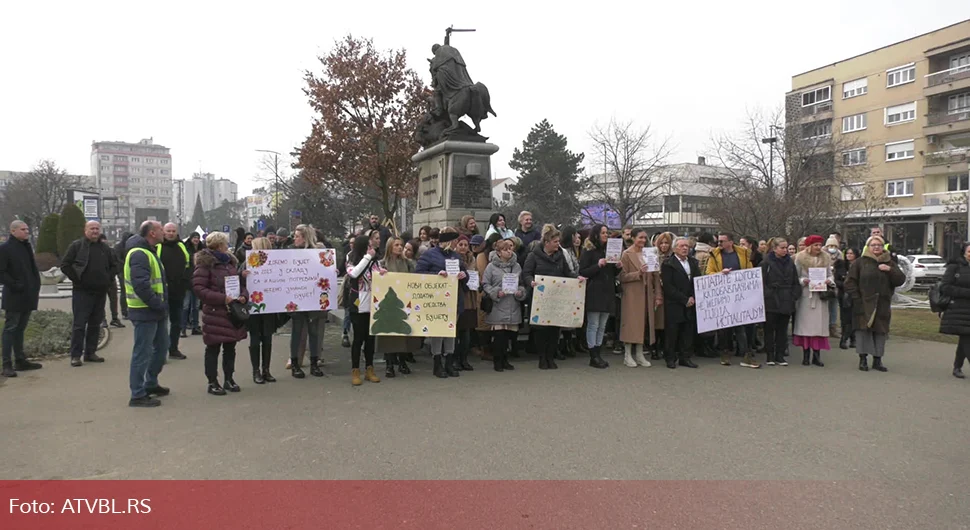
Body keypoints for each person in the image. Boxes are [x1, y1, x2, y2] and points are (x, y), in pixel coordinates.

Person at [192, 231, 249, 396]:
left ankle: (229, 378)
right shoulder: (205, 264)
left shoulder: (229, 263)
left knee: (230, 347)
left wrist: (244, 295)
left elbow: (239, 283)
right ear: (219, 245)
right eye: (225, 243)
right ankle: (212, 381)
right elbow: (199, 288)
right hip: (216, 313)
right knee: (213, 348)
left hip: (231, 313)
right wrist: (223, 298)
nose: (227, 246)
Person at [125, 221, 170, 407]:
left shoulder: (150, 251)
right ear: (152, 233)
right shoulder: (139, 254)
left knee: (161, 349)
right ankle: (137, 394)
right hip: (144, 310)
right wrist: (157, 304)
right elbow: (141, 285)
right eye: (161, 229)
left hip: (155, 310)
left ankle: (150, 383)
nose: (164, 233)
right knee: (142, 353)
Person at [845, 235, 905, 372]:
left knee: (880, 331)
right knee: (863, 331)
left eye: (879, 245)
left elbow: (901, 280)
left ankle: (877, 360)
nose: (876, 247)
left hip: (882, 303)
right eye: (873, 245)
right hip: (864, 303)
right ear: (868, 247)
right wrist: (857, 298)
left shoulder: (889, 262)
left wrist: (890, 270)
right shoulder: (860, 262)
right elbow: (850, 282)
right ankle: (863, 359)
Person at [523, 224, 579, 370]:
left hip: (556, 298)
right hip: (539, 298)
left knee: (554, 330)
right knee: (541, 330)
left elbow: (568, 273)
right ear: (546, 243)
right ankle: (542, 358)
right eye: (555, 242)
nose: (558, 244)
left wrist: (578, 278)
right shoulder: (533, 256)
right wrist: (531, 282)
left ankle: (550, 357)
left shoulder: (560, 257)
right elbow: (526, 273)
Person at [416, 230, 469, 377]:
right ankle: (437, 362)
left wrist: (464, 276)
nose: (456, 245)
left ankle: (449, 362)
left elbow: (465, 275)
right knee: (438, 331)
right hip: (437, 301)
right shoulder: (430, 254)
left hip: (454, 299)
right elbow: (419, 273)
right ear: (448, 242)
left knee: (451, 332)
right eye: (454, 242)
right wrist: (436, 276)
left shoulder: (455, 256)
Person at [61, 220, 112, 367]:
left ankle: (91, 353)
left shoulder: (105, 248)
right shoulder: (77, 246)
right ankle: (76, 356)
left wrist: (108, 278)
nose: (95, 231)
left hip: (100, 292)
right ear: (85, 230)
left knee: (95, 324)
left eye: (97, 229)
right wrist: (77, 279)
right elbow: (65, 265)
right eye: (92, 229)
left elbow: (115, 264)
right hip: (82, 292)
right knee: (79, 325)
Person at [706, 232, 758, 368]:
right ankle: (725, 351)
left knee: (748, 323)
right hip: (724, 295)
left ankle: (747, 353)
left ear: (730, 242)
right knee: (725, 326)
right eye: (719, 241)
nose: (719, 244)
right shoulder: (714, 255)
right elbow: (708, 273)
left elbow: (750, 271)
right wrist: (720, 273)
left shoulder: (743, 254)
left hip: (741, 294)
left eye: (722, 241)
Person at [0, 220, 43, 378]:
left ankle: (20, 360)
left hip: (28, 295)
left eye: (27, 229)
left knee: (20, 329)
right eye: (23, 229)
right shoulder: (5, 249)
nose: (27, 232)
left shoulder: (26, 247)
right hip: (14, 296)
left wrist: (34, 284)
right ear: (13, 231)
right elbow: (2, 272)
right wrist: (15, 284)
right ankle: (6, 364)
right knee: (10, 329)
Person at [286, 224, 328, 377]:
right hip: (296, 298)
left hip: (313, 298)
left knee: (314, 332)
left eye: (297, 236)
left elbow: (323, 271)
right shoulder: (290, 252)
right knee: (297, 332)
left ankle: (314, 363)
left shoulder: (316, 253)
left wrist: (331, 271)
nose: (294, 239)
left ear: (305, 238)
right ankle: (296, 363)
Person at [376, 237, 419, 378]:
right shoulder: (382, 263)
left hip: (404, 303)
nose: (400, 248)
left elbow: (415, 279)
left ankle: (402, 362)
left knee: (404, 334)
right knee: (389, 335)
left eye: (401, 245)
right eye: (397, 245)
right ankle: (389, 364)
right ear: (390, 247)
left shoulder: (408, 263)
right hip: (388, 305)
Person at [618, 228, 661, 368]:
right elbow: (622, 277)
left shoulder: (650, 253)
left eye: (644, 237)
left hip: (647, 292)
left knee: (643, 322)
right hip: (632, 293)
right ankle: (627, 354)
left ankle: (639, 353)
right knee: (631, 323)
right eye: (640, 237)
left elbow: (656, 276)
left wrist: (658, 294)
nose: (643, 240)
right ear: (634, 238)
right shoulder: (626, 254)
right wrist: (638, 273)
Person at [483, 238, 525, 372]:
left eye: (510, 248)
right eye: (505, 249)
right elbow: (485, 284)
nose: (508, 251)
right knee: (499, 335)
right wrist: (495, 293)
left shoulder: (516, 266)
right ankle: (497, 361)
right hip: (498, 304)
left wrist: (520, 293)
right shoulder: (491, 266)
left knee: (508, 335)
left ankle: (505, 360)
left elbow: (521, 284)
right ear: (499, 252)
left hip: (512, 303)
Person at [345, 234, 382, 385]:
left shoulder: (374, 261)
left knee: (370, 339)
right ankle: (355, 370)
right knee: (358, 338)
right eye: (368, 246)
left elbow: (377, 275)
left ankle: (369, 368)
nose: (371, 248)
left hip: (373, 303)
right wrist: (367, 257)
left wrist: (382, 273)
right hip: (358, 303)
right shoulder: (351, 258)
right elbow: (354, 273)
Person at [792, 235, 834, 367]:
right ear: (810, 246)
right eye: (815, 245)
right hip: (806, 296)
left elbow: (830, 274)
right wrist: (803, 281)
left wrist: (829, 280)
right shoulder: (800, 258)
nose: (818, 247)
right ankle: (805, 355)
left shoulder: (825, 258)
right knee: (806, 326)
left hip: (820, 296)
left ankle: (817, 355)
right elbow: (795, 276)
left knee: (818, 326)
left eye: (819, 245)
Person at [578, 224, 613, 369]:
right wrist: (598, 265)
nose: (606, 235)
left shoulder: (609, 251)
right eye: (603, 233)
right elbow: (583, 271)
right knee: (593, 324)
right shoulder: (588, 251)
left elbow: (611, 273)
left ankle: (598, 352)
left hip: (607, 290)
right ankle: (593, 355)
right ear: (596, 234)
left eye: (607, 233)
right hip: (594, 291)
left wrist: (618, 267)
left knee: (602, 325)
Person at [661, 237, 700, 369]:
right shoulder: (668, 264)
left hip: (691, 302)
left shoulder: (694, 262)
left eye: (687, 246)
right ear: (674, 248)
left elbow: (698, 281)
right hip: (675, 303)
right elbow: (668, 286)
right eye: (681, 246)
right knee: (672, 332)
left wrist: (693, 297)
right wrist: (684, 299)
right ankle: (670, 358)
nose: (685, 248)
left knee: (687, 332)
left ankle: (685, 357)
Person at [243, 237, 278, 384]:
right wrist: (242, 275)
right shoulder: (248, 262)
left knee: (266, 338)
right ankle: (257, 370)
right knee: (257, 338)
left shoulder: (275, 263)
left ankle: (265, 369)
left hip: (268, 305)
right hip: (254, 306)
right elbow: (238, 280)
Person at [761, 238, 800, 366]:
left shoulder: (790, 263)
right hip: (771, 300)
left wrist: (794, 295)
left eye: (786, 248)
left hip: (786, 299)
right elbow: (761, 282)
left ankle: (780, 355)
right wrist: (768, 294)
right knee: (769, 329)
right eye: (782, 248)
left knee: (782, 330)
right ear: (774, 249)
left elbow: (795, 280)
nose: (785, 250)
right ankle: (770, 355)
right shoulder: (766, 263)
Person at [155, 223, 190, 360]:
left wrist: (185, 282)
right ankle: (160, 353)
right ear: (163, 232)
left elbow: (188, 265)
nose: (171, 233)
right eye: (168, 231)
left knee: (177, 323)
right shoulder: (158, 247)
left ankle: (173, 349)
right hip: (162, 293)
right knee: (161, 324)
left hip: (178, 292)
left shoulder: (181, 246)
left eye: (173, 231)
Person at [940, 242, 970, 379]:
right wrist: (966, 292)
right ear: (964, 253)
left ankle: (957, 367)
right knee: (966, 337)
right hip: (958, 309)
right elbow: (945, 287)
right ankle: (957, 367)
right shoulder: (954, 267)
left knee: (965, 339)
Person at [557, 225, 582, 359]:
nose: (577, 238)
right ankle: (561, 346)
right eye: (575, 235)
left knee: (570, 319)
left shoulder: (572, 251)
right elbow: (569, 269)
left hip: (573, 285)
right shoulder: (564, 251)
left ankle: (568, 343)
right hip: (566, 285)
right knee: (562, 319)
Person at [455, 235, 478, 371]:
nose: (463, 247)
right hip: (458, 295)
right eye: (461, 244)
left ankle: (464, 359)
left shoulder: (472, 259)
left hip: (470, 297)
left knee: (467, 332)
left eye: (465, 245)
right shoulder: (453, 258)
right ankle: (455, 359)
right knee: (457, 331)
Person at [650, 232, 674, 360]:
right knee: (656, 322)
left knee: (667, 322)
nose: (664, 246)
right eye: (662, 243)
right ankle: (654, 347)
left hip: (670, 293)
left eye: (666, 243)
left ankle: (665, 347)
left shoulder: (673, 257)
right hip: (656, 292)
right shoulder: (653, 257)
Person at [834, 247, 859, 350]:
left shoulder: (859, 266)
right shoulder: (841, 266)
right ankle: (844, 339)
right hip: (844, 294)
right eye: (848, 253)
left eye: (851, 253)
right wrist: (845, 285)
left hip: (856, 294)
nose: (849, 255)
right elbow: (837, 280)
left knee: (854, 316)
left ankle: (853, 338)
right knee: (845, 317)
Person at [99, 234, 125, 329]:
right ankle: (103, 320)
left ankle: (115, 318)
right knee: (101, 301)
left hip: (111, 280)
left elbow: (117, 264)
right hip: (100, 281)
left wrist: (112, 274)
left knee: (114, 300)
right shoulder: (95, 252)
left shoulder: (111, 251)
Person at [182, 232, 203, 337]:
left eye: (197, 238)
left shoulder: (202, 249)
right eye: (194, 237)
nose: (196, 239)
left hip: (198, 280)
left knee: (196, 306)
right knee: (186, 306)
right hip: (187, 281)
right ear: (190, 239)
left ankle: (195, 326)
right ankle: (183, 328)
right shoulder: (185, 249)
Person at [824, 236, 844, 338]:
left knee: (834, 307)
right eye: (830, 245)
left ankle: (833, 327)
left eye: (834, 245)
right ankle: (824, 327)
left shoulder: (840, 255)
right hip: (824, 283)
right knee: (824, 307)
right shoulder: (822, 254)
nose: (832, 247)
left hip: (836, 284)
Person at [112, 231, 132, 324]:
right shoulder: (118, 247)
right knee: (124, 291)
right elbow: (118, 259)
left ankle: (129, 310)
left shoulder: (129, 246)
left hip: (128, 270)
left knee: (129, 291)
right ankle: (124, 312)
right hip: (122, 271)